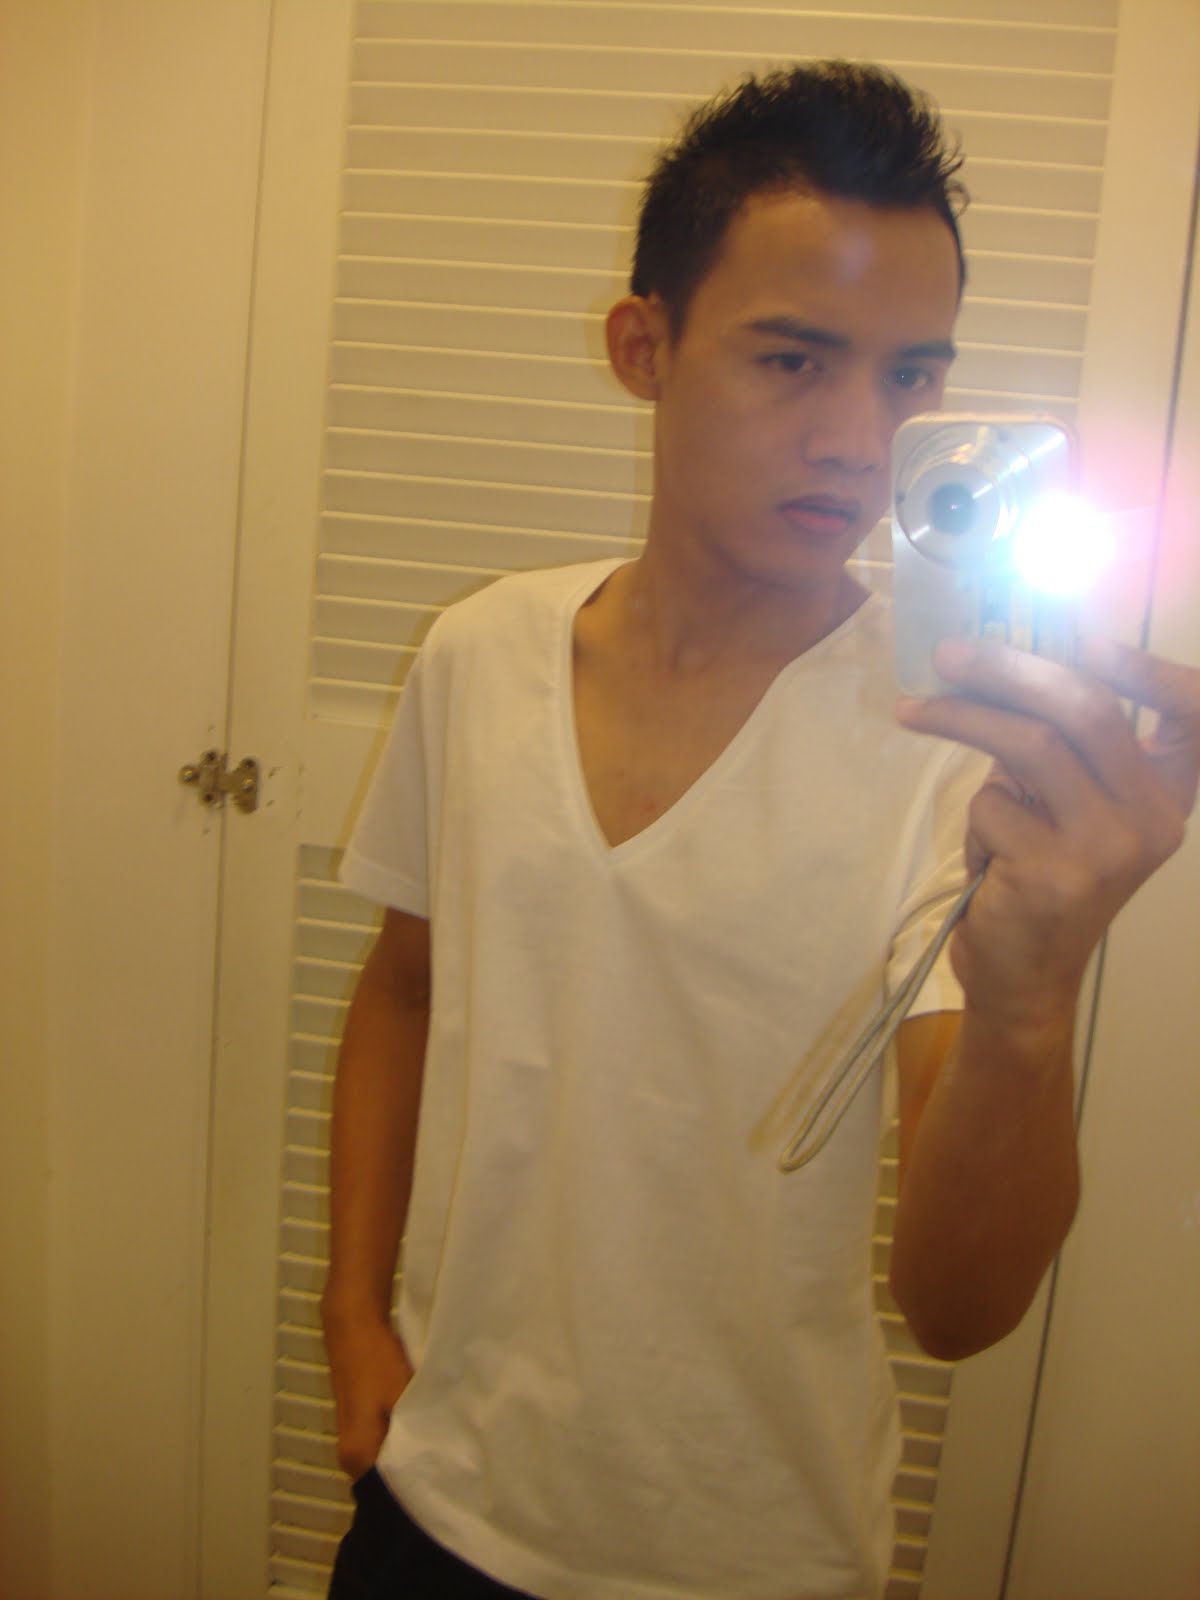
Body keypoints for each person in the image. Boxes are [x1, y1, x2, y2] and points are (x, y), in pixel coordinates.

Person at [321, 62, 1200, 1600]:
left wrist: (1035, 992)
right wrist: (350, 1317)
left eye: (910, 377)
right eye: (793, 360)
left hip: (750, 1546)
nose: (859, 440)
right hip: (436, 1498)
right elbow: (405, 987)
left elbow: (960, 1311)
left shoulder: (955, 744)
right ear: (643, 348)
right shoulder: (480, 652)